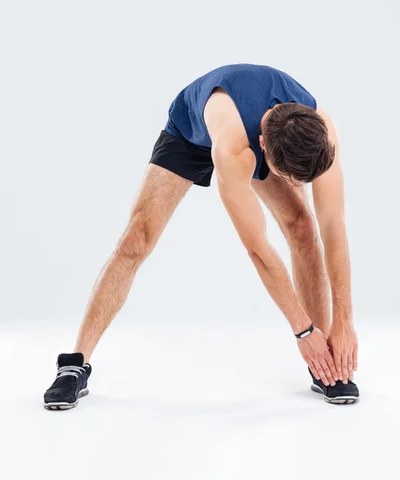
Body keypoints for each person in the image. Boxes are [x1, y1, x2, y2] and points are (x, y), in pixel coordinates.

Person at [43, 63, 359, 409]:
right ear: (264, 149)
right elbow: (257, 248)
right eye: (289, 177)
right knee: (137, 238)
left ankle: (326, 365)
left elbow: (334, 225)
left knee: (303, 226)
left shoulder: (321, 129)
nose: (297, 187)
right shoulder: (235, 150)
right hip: (191, 134)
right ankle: (74, 364)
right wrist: (301, 330)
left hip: (259, 135)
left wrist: (344, 319)